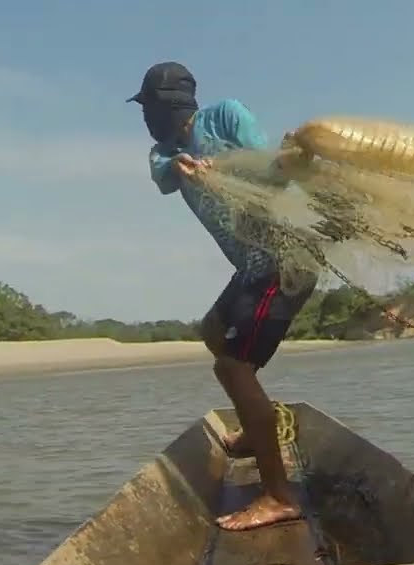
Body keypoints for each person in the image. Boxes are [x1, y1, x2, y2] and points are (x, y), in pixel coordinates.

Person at [128, 61, 316, 531]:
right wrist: (181, 164)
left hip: (282, 258)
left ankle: (279, 496)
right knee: (213, 332)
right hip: (252, 269)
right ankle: (259, 428)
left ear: (165, 105)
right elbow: (162, 176)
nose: (145, 118)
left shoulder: (227, 117)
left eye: (147, 107)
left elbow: (270, 173)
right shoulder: (163, 152)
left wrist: (234, 166)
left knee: (231, 366)